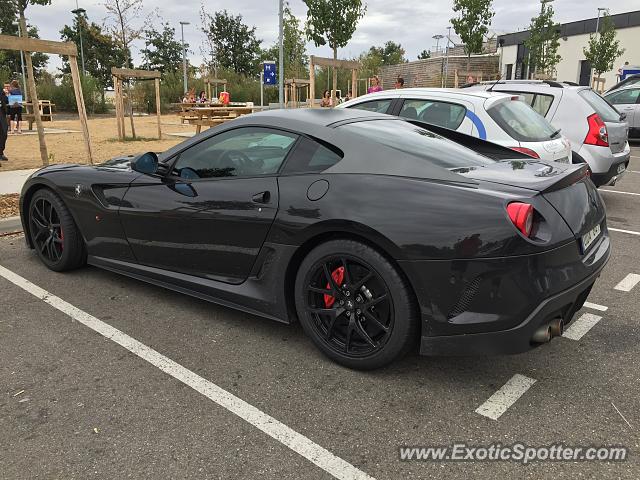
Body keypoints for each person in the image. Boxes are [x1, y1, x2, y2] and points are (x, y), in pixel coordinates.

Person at [0, 84, 8, 163]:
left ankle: (0, 152)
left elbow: (6, 100)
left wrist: (6, 94)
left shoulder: (1, 92)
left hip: (1, 114)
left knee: (4, 133)